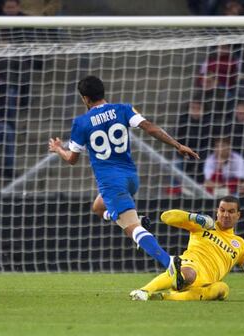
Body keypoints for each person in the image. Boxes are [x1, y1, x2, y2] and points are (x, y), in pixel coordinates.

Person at [49, 75, 200, 288]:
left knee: (132, 229)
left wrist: (58, 150)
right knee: (98, 207)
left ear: (84, 98)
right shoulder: (124, 109)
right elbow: (150, 127)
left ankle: (169, 263)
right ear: (103, 92)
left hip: (111, 183)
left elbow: (72, 160)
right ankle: (137, 221)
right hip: (131, 178)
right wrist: (177, 145)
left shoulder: (81, 123)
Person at [130, 195, 244, 301]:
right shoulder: (204, 225)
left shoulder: (242, 246)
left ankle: (166, 298)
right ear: (217, 212)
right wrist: (193, 216)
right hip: (190, 266)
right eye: (222, 210)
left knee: (223, 289)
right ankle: (143, 291)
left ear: (238, 215)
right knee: (188, 273)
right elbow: (165, 217)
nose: (226, 215)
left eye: (231, 211)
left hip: (206, 283)